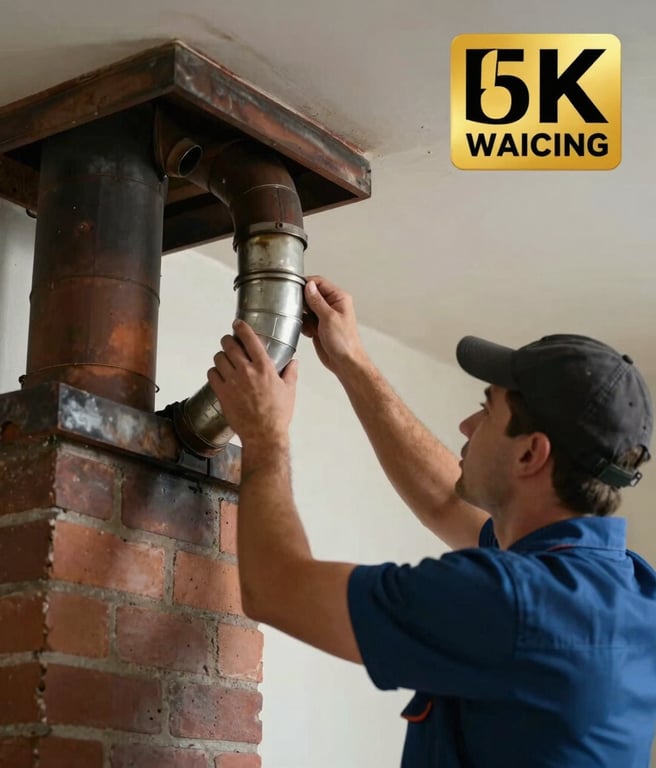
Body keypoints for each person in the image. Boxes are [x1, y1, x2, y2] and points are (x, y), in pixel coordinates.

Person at [207, 275, 656, 767]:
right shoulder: (631, 588)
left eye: (487, 408)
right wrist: (351, 362)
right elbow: (447, 499)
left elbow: (275, 588)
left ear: (531, 453)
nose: (467, 425)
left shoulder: (509, 603)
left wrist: (264, 434)